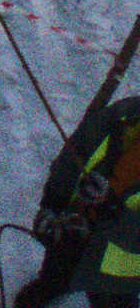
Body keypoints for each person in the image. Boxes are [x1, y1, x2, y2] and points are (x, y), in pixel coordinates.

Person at [21, 89, 140, 301]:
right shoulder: (125, 116)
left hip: (117, 274)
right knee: (51, 281)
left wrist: (112, 213)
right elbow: (75, 154)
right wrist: (52, 205)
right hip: (73, 231)